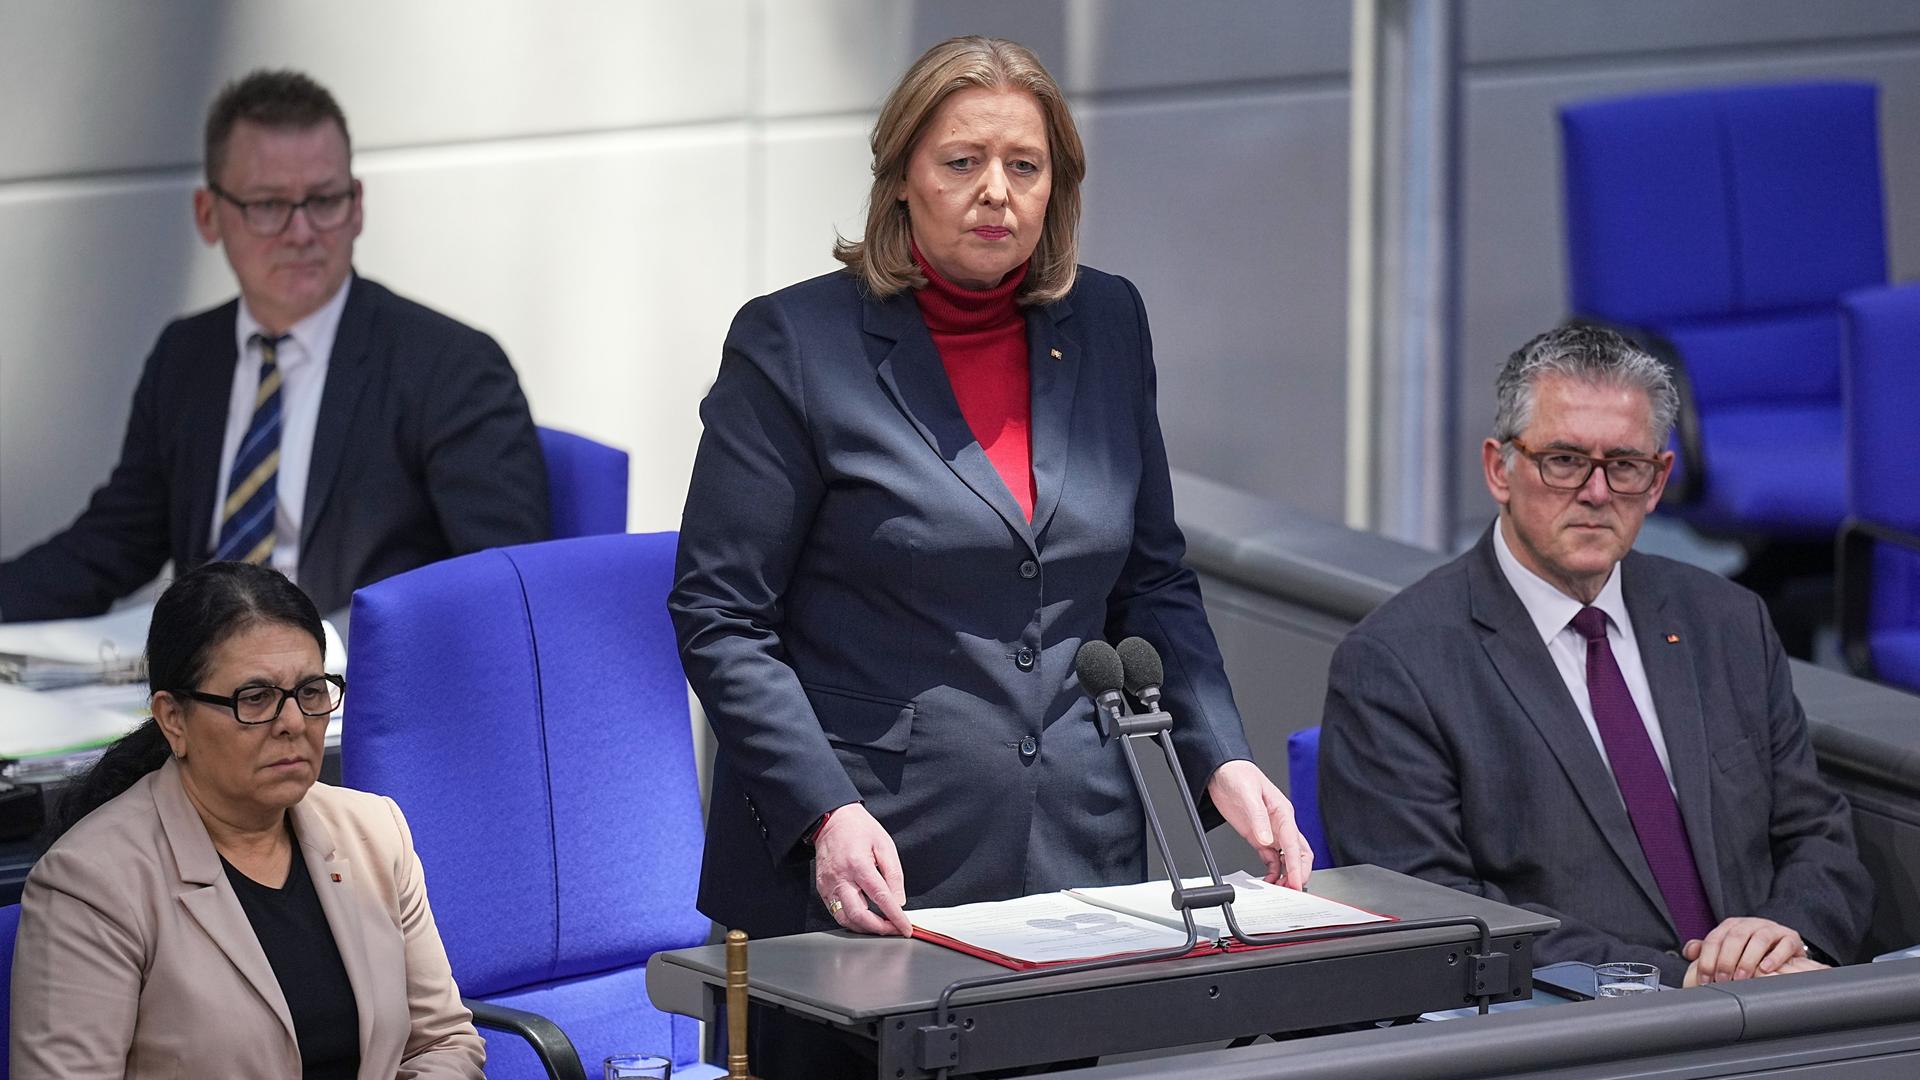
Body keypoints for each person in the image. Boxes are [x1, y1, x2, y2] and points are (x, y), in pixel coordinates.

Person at [674, 34, 1308, 946]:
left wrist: (1221, 758)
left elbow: (1153, 582)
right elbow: (721, 615)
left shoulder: (1109, 320)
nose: (996, 192)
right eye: (962, 162)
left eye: (1025, 165)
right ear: (900, 177)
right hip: (870, 855)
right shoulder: (795, 344)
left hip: (1084, 845)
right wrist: (822, 811)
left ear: (1059, 189)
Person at [1319, 325, 1872, 987]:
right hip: (1583, 1034)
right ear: (1500, 468)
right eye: (1563, 461)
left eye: (1625, 465)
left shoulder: (1728, 621)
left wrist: (1787, 934)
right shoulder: (1397, 663)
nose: (1596, 492)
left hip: (1781, 1008)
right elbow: (1441, 917)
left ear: (1659, 478)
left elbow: (1818, 834)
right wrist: (1678, 981)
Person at [0, 69, 547, 624]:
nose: (302, 232)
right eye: (268, 205)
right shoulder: (186, 355)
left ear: (357, 206)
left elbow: (502, 588)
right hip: (198, 684)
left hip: (352, 690)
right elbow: (112, 543)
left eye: (324, 200)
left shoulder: (450, 368)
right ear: (208, 215)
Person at [10, 561, 485, 1078]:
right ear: (173, 718)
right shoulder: (91, 882)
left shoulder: (374, 831)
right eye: (254, 698)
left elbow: (440, 1041)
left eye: (310, 691)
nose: (292, 723)